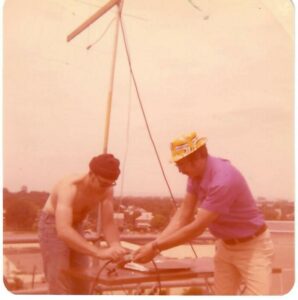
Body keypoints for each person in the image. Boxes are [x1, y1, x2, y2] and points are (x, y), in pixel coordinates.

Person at [133, 132, 275, 295]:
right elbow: (184, 214)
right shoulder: (195, 175)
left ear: (198, 157)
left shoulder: (222, 179)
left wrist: (155, 247)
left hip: (253, 247)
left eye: (181, 164)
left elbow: (197, 228)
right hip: (225, 246)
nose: (179, 170)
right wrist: (154, 244)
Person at [38, 153, 128, 294]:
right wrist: (98, 252)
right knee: (59, 278)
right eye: (103, 183)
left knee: (82, 278)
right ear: (91, 174)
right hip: (53, 224)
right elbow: (63, 230)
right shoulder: (69, 187)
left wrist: (116, 245)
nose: (106, 187)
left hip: (76, 225)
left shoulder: (107, 189)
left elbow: (108, 222)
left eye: (110, 184)